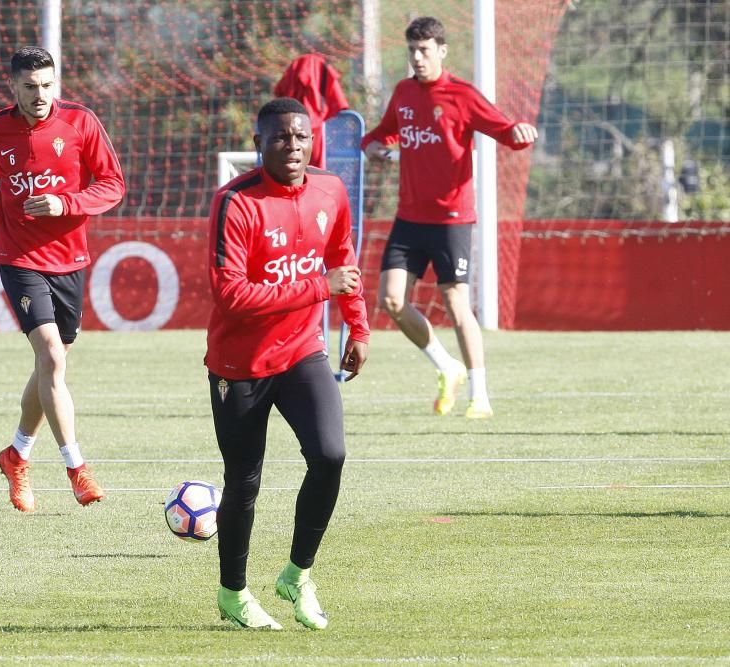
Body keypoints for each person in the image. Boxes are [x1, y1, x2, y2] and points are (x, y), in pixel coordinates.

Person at [206, 97, 370, 630]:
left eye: (301, 137)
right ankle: (233, 594)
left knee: (331, 455)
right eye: (281, 138)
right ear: (259, 144)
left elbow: (343, 254)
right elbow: (231, 295)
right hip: (241, 365)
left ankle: (297, 573)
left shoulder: (330, 189)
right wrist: (318, 288)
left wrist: (358, 325)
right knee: (244, 481)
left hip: (303, 352)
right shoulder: (235, 202)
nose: (293, 146)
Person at [0, 46, 125, 511]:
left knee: (50, 365)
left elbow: (113, 184)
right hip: (18, 256)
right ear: (13, 86)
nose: (40, 95)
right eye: (30, 87)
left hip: (70, 259)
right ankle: (76, 467)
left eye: (48, 85)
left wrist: (65, 203)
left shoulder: (81, 123)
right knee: (51, 354)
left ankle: (16, 454)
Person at [361, 16, 537, 419]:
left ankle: (480, 394)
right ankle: (447, 366)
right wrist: (370, 145)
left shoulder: (461, 94)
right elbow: (383, 132)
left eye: (424, 50)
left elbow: (503, 129)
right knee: (390, 300)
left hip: (452, 218)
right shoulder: (404, 93)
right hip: (409, 216)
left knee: (456, 301)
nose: (417, 58)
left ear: (442, 51)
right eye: (412, 50)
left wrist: (520, 132)